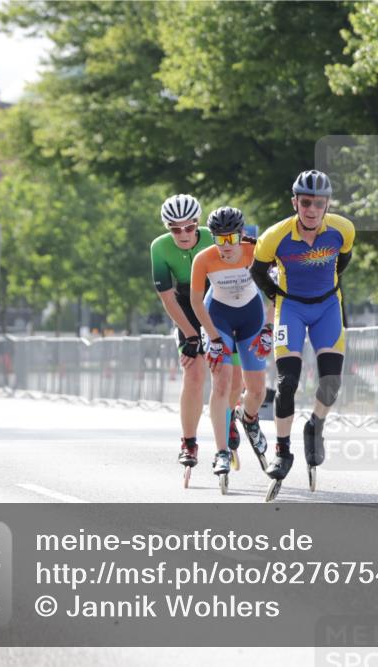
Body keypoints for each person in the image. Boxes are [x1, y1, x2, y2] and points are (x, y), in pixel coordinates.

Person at [249, 170, 355, 498]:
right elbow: (257, 271)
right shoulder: (273, 237)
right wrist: (278, 295)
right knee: (287, 383)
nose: (311, 209)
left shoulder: (343, 229)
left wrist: (323, 287)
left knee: (331, 383)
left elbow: (342, 262)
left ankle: (315, 426)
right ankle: (282, 450)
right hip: (291, 309)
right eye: (305, 202)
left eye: (318, 203)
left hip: (327, 308)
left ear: (327, 204)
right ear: (295, 202)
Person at [150, 194, 244, 480]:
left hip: (221, 302)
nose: (183, 234)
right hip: (186, 307)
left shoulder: (214, 237)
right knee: (193, 373)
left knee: (233, 376)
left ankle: (228, 418)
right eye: (175, 229)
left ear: (197, 224)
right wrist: (191, 337)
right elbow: (167, 297)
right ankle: (189, 443)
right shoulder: (159, 247)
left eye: (189, 227)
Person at [190, 206, 273, 483]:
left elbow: (275, 293)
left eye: (231, 239)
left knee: (258, 391)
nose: (225, 246)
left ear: (242, 235)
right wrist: (213, 338)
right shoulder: (204, 258)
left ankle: (248, 418)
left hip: (251, 317)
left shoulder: (256, 251)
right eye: (218, 239)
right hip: (219, 318)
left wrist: (268, 329)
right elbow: (195, 302)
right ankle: (221, 451)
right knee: (222, 384)